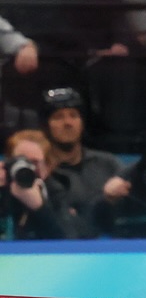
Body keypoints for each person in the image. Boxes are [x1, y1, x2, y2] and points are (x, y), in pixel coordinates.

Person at [42, 86, 130, 237]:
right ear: (46, 125)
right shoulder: (40, 170)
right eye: (58, 117)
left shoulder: (108, 164)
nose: (68, 122)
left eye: (73, 115)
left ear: (82, 123)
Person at [0, 127, 74, 239]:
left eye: (34, 162)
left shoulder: (56, 191)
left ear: (47, 167)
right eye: (20, 160)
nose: (26, 167)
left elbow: (70, 239)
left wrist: (39, 207)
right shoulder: (3, 185)